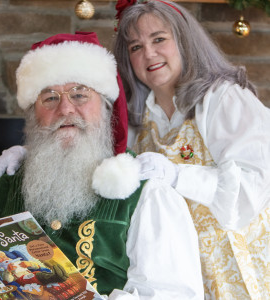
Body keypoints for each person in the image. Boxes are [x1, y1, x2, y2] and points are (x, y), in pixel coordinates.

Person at [0, 32, 204, 299]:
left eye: (79, 95)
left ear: (106, 108)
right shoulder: (5, 176)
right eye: (50, 98)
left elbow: (173, 293)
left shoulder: (148, 190)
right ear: (33, 114)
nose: (65, 109)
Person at [113, 1, 270, 299]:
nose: (148, 53)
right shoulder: (138, 119)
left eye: (159, 39)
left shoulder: (224, 99)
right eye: (135, 47)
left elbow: (255, 185)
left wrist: (178, 175)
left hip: (238, 264)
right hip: (177, 273)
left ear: (184, 41)